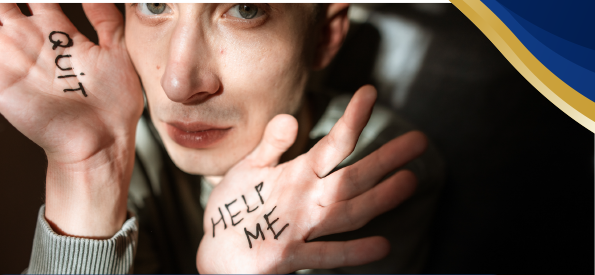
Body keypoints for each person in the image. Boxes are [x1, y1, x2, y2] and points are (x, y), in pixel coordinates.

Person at [0, 3, 442, 274]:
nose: (178, 82)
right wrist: (87, 169)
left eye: (245, 9)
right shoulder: (127, 145)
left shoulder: (368, 167)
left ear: (324, 35)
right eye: (155, 5)